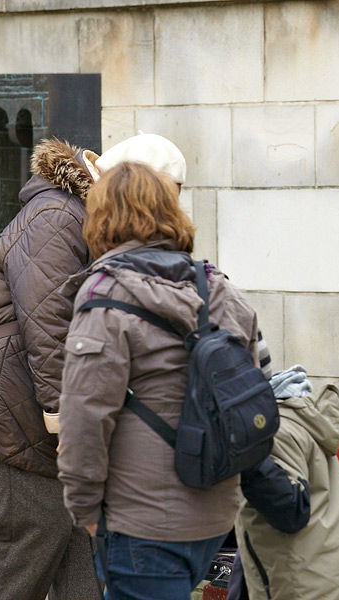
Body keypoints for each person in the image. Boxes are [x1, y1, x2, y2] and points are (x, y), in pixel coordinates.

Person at [56, 161, 262, 600]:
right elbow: (257, 388)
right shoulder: (216, 287)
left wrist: (84, 508)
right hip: (214, 511)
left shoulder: (104, 297)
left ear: (101, 217)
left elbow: (84, 416)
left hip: (140, 517)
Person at [0, 138, 101, 600]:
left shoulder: (67, 213)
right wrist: (63, 418)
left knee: (73, 540)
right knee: (32, 536)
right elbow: (48, 323)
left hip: (27, 401)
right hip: (21, 410)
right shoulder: (58, 215)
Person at [229, 365, 339, 600]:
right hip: (333, 581)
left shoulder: (274, 432)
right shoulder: (299, 413)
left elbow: (288, 510)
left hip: (304, 588)